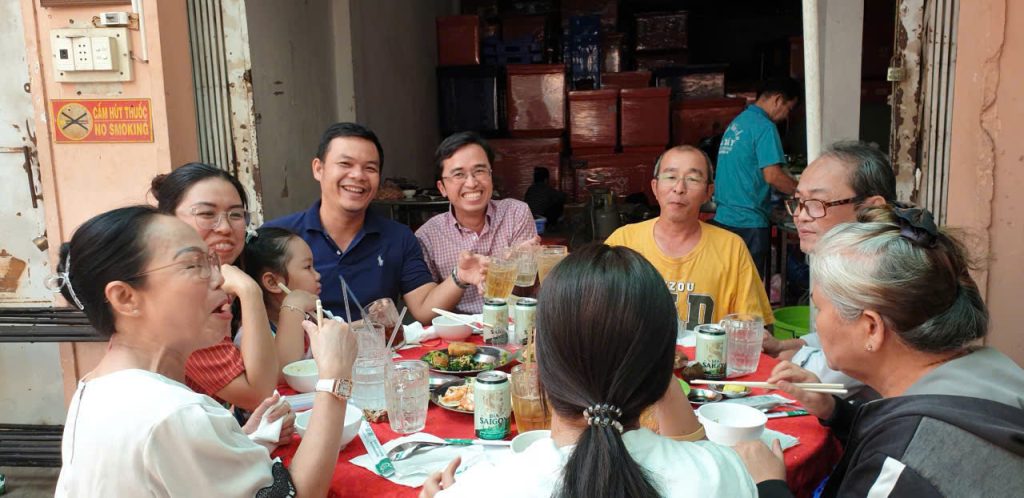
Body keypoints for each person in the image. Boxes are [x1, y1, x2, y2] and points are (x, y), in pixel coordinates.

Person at [52, 205, 359, 497]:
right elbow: (301, 494)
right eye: (193, 265)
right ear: (125, 297)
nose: (221, 280)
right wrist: (335, 379)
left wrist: (242, 441)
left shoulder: (95, 388)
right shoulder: (174, 414)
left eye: (212, 263)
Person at [421, 244, 756, 498]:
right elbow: (701, 457)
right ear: (664, 372)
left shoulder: (482, 489)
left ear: (538, 366)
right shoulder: (721, 473)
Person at [736, 205, 1024, 497]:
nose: (817, 324)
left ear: (871, 328)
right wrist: (836, 412)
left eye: (820, 309)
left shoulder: (902, 464)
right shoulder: (995, 371)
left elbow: (909, 456)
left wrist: (768, 484)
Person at [265, 123, 487, 323]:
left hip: (378, 353)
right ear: (318, 168)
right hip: (302, 354)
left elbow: (423, 307)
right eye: (345, 164)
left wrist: (460, 277)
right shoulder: (278, 237)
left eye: (370, 168)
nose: (358, 175)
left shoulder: (398, 238)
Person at [761, 141, 895, 400]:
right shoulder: (846, 259)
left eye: (817, 203)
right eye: (799, 201)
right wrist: (790, 345)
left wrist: (791, 357)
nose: (800, 215)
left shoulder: (879, 273)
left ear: (871, 209)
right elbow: (838, 334)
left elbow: (828, 374)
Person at [152, 163, 279, 411]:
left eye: (236, 215)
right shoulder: (180, 298)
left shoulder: (218, 284)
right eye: (207, 214)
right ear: (167, 221)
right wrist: (250, 291)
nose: (225, 228)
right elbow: (258, 394)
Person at [605, 146, 774, 330]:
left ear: (708, 192)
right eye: (670, 177)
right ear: (655, 187)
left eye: (692, 179)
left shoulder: (731, 248)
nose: (679, 188)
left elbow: (752, 328)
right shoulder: (623, 241)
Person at [415, 132, 537, 314]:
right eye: (459, 174)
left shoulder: (516, 213)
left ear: (491, 175)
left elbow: (526, 293)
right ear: (442, 188)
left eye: (479, 171)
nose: (471, 183)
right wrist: (460, 277)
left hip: (511, 322)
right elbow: (427, 312)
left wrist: (513, 267)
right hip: (457, 328)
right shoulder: (427, 236)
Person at [713, 78, 802, 280]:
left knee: (727, 285)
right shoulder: (764, 127)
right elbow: (773, 176)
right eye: (788, 109)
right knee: (747, 287)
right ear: (778, 100)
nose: (786, 116)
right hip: (748, 224)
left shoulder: (738, 123)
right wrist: (804, 193)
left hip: (723, 220)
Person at [240, 226, 322, 367]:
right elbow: (287, 371)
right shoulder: (254, 336)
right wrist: (294, 306)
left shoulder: (312, 317)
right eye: (308, 267)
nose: (318, 275)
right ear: (272, 282)